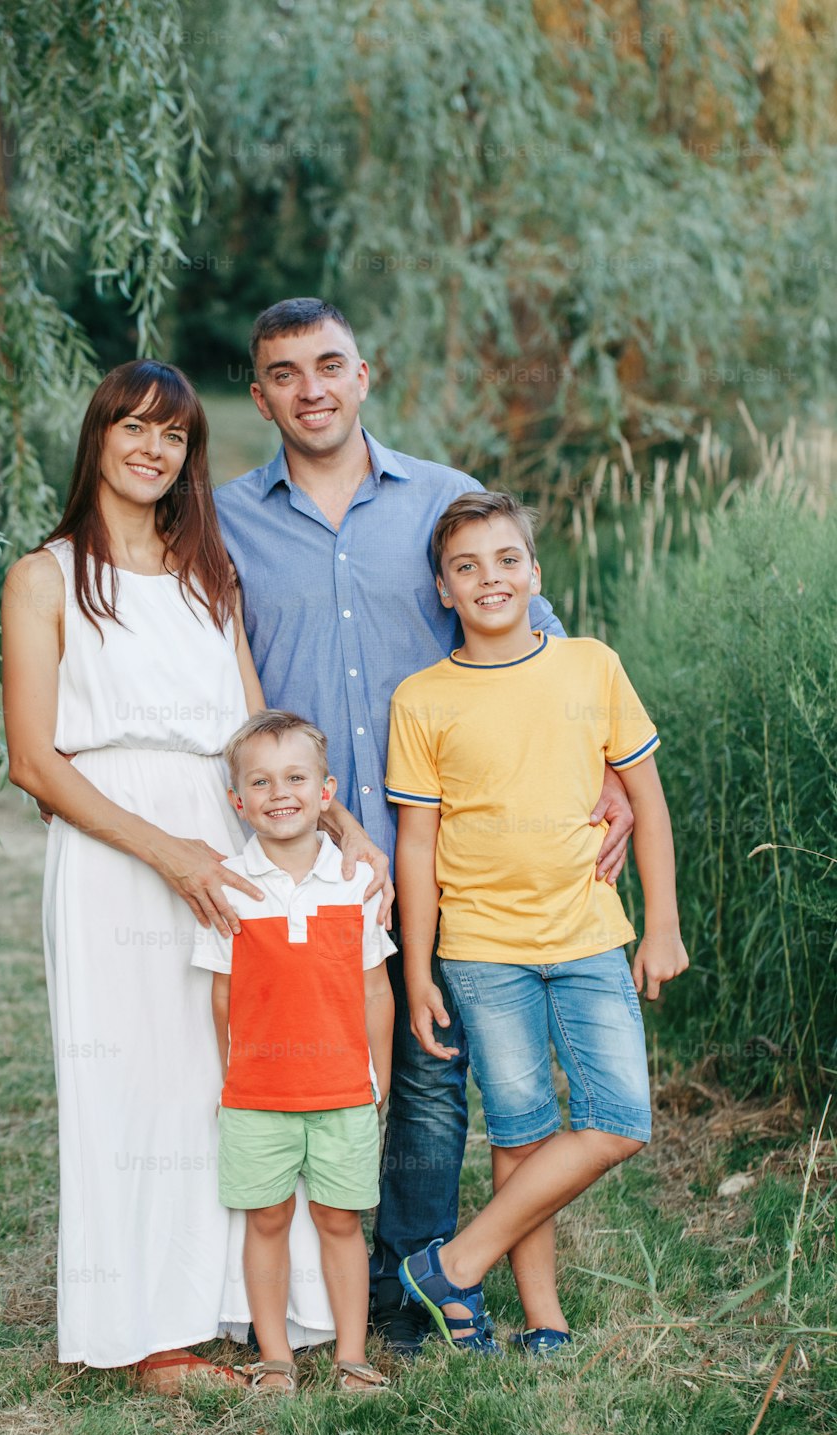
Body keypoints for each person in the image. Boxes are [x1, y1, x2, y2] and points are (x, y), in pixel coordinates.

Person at [213, 297, 636, 1352]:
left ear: (367, 373)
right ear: (258, 391)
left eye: (328, 364)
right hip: (306, 854)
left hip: (445, 850)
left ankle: (415, 1288)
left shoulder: (446, 505)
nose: (309, 387)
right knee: (316, 1067)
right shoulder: (224, 522)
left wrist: (616, 778)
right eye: (283, 372)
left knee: (433, 1066)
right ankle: (309, 1286)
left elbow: (537, 651)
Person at [1, 360, 386, 1393]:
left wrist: (342, 823)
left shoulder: (206, 573)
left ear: (188, 456)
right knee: (130, 1086)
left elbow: (255, 734)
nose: (151, 448)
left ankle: (241, 1303)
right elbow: (34, 762)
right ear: (98, 439)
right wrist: (166, 852)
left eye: (171, 436)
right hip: (117, 857)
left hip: (225, 846)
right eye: (131, 427)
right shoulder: (45, 576)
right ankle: (145, 1333)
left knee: (234, 1078)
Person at [387, 491, 689, 1353]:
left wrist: (660, 922)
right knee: (520, 1130)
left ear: (535, 572)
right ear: (443, 590)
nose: (491, 579)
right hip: (483, 948)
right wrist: (417, 972)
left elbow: (648, 803)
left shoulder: (590, 665)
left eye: (507, 560)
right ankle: (543, 1320)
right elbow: (417, 845)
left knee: (620, 1120)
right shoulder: (423, 699)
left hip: (591, 931)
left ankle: (455, 1262)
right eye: (467, 567)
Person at [192, 710, 395, 1394]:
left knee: (340, 1220)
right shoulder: (230, 889)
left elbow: (376, 993)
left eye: (296, 777)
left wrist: (378, 1081)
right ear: (238, 801)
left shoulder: (355, 883)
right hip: (258, 1094)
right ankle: (274, 1355)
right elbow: (222, 999)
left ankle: (352, 1355)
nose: (281, 793)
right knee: (268, 1217)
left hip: (343, 1089)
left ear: (326, 790)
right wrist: (234, 1078)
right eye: (262, 781)